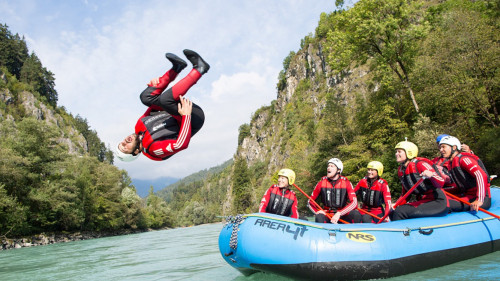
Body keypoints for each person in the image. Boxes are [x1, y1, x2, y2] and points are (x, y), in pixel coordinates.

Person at [115, 49, 209, 162]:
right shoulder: (153, 149)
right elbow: (180, 145)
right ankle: (200, 69)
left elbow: (154, 105)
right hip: (192, 118)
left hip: (176, 111)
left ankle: (177, 68)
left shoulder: (138, 127)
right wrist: (186, 115)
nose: (124, 142)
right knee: (165, 100)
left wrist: (155, 87)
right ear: (135, 152)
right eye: (125, 148)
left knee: (145, 97)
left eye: (122, 143)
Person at [391, 140, 448, 221]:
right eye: (396, 152)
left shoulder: (420, 164)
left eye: (399, 151)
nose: (396, 154)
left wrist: (432, 176)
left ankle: (402, 233)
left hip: (437, 201)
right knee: (393, 211)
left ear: (409, 152)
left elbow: (441, 182)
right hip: (423, 201)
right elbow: (406, 194)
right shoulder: (401, 170)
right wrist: (395, 205)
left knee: (400, 212)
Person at [439, 136, 491, 212]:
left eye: (444, 147)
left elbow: (481, 175)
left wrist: (479, 199)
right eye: (440, 148)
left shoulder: (463, 159)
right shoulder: (451, 163)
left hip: (480, 198)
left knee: (442, 204)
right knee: (437, 199)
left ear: (454, 147)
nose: (441, 150)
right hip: (467, 195)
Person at [308, 158, 358, 224]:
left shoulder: (346, 183)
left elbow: (354, 203)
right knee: (319, 216)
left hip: (341, 215)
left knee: (356, 214)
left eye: (332, 166)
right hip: (327, 215)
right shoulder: (321, 183)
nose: (328, 168)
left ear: (338, 170)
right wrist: (316, 211)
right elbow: (310, 202)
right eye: (328, 166)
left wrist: (339, 213)